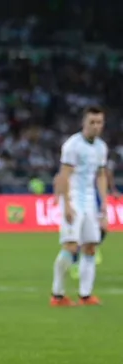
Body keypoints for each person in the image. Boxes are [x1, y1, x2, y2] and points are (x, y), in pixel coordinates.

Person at [51, 106, 108, 307]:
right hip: (73, 197)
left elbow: (100, 176)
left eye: (99, 122)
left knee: (91, 246)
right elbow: (64, 175)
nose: (95, 126)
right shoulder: (72, 145)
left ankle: (85, 295)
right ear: (84, 123)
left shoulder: (101, 147)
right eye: (92, 122)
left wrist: (104, 208)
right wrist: (66, 204)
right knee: (70, 245)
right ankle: (57, 295)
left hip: (90, 200)